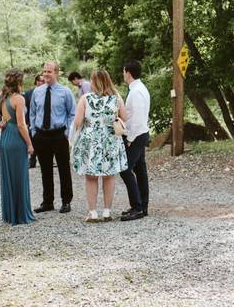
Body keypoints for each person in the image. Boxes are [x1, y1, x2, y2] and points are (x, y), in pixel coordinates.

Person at [70, 69, 129, 223]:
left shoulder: (85, 98)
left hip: (91, 141)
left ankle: (93, 212)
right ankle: (107, 212)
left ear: (93, 81)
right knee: (109, 176)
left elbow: (77, 122)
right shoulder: (116, 98)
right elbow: (125, 117)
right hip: (110, 139)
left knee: (91, 177)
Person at [0, 69, 35, 225]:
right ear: (19, 82)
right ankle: (20, 215)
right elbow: (21, 125)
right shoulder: (19, 99)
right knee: (19, 175)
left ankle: (10, 213)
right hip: (16, 138)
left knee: (9, 175)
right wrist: (29, 143)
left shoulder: (2, 97)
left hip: (6, 138)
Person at [28, 61, 76, 214]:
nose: (46, 74)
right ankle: (48, 202)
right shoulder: (37, 92)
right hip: (41, 135)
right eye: (44, 71)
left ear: (56, 73)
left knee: (63, 169)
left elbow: (72, 114)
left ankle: (66, 201)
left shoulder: (65, 92)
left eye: (49, 71)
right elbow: (33, 113)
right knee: (45, 170)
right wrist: (34, 132)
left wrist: (67, 133)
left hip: (59, 135)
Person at [119, 59, 150, 221]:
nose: (123, 75)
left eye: (124, 72)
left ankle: (138, 207)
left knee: (125, 169)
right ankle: (142, 206)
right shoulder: (139, 88)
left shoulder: (136, 91)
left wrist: (130, 138)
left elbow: (136, 118)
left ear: (128, 73)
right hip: (141, 133)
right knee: (139, 170)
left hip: (136, 135)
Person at [22, 74, 43, 169]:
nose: (42, 82)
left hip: (43, 121)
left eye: (43, 81)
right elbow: (26, 109)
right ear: (36, 82)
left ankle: (44, 160)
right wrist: (26, 122)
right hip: (31, 121)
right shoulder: (28, 93)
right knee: (33, 140)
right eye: (40, 81)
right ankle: (32, 160)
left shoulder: (46, 92)